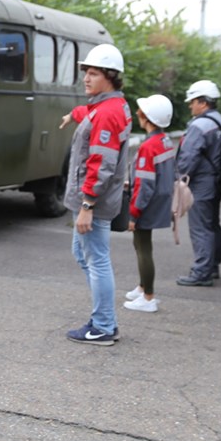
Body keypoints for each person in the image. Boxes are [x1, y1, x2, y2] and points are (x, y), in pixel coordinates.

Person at [58, 43, 132, 346]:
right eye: (85, 73)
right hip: (94, 199)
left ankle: (103, 325)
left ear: (110, 76)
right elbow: (90, 111)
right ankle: (104, 319)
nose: (86, 79)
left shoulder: (107, 114)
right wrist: (73, 114)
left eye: (92, 73)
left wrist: (88, 204)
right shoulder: (109, 106)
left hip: (95, 202)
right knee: (83, 254)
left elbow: (101, 165)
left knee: (97, 259)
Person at [123, 94, 176, 313]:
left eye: (141, 111)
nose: (137, 113)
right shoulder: (165, 141)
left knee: (143, 248)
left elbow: (145, 185)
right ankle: (143, 285)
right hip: (160, 200)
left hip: (147, 204)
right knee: (141, 246)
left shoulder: (148, 146)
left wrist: (134, 214)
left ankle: (148, 297)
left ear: (147, 117)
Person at [176, 79, 221, 287]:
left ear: (203, 102)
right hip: (217, 181)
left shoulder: (199, 125)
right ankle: (212, 266)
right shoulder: (219, 121)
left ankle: (201, 272)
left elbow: (189, 157)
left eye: (193, 101)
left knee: (200, 227)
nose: (190, 105)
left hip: (201, 183)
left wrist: (179, 178)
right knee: (212, 225)